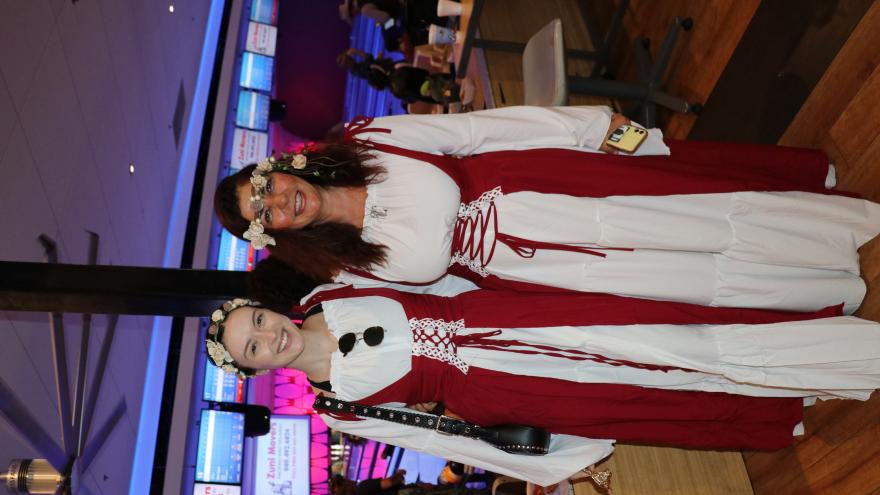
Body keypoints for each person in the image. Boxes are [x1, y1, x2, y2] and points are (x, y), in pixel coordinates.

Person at [203, 280, 880, 487]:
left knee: (665, 331)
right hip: (505, 390)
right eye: (254, 348)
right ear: (256, 370)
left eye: (258, 321)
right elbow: (442, 433)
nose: (270, 337)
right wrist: (555, 458)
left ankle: (809, 348)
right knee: (650, 392)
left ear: (267, 306)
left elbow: (429, 283)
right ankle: (796, 389)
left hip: (510, 313)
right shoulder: (337, 407)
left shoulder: (331, 292)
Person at [213, 105, 880, 312]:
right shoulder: (344, 264)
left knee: (699, 215)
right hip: (539, 273)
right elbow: (440, 290)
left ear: (280, 167)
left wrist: (600, 130)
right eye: (263, 213)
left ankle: (832, 228)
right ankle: (827, 288)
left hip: (550, 186)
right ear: (271, 234)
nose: (277, 203)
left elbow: (479, 130)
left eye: (264, 186)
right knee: (684, 283)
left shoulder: (369, 141)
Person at [337, 48, 461, 105]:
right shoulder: (400, 69)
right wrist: (356, 51)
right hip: (439, 83)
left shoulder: (396, 92)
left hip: (438, 97)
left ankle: (455, 94)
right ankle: (457, 87)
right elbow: (424, 73)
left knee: (441, 94)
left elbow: (413, 100)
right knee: (444, 83)